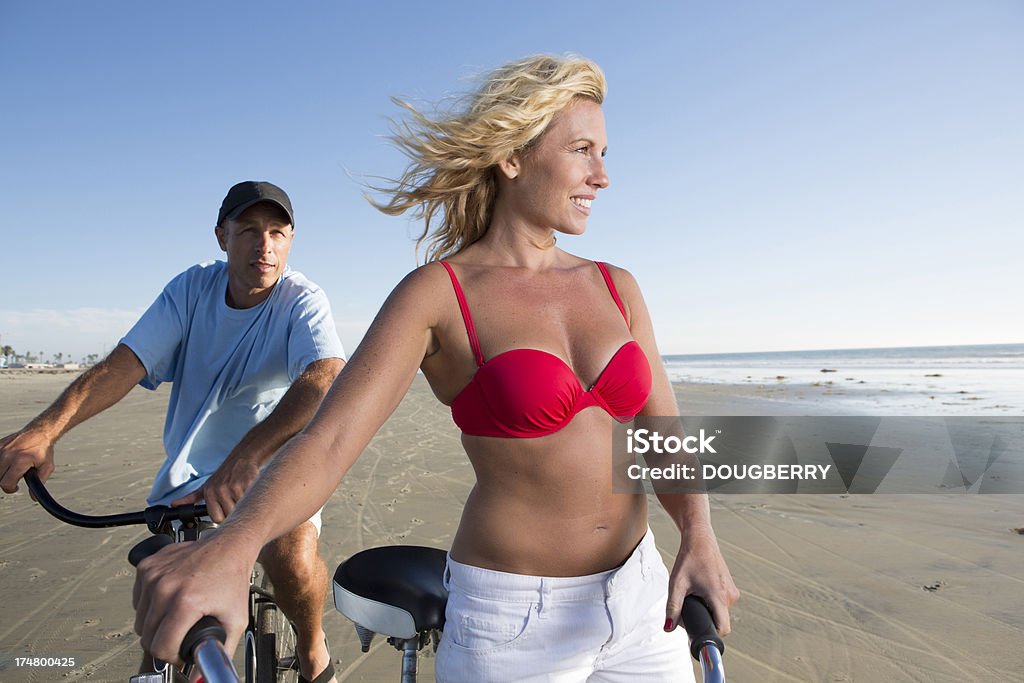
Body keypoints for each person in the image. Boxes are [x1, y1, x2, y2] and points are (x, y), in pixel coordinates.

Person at [132, 57, 739, 682]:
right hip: (512, 625)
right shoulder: (438, 294)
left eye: (605, 152)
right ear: (512, 157)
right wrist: (231, 550)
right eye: (583, 150)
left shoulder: (618, 287)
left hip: (642, 602)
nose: (603, 176)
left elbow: (662, 436)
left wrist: (698, 533)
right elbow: (331, 439)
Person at [0, 180, 344, 683]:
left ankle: (313, 649)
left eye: (277, 232)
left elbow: (323, 377)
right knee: (164, 619)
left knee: (290, 554)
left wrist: (247, 457)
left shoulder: (302, 301)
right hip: (190, 482)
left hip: (272, 468)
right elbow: (125, 364)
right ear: (221, 236)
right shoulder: (190, 290)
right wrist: (44, 430)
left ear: (291, 240)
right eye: (248, 230)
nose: (264, 245)